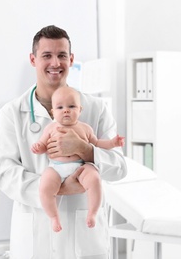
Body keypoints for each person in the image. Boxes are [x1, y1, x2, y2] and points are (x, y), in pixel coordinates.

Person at [0, 25, 127, 259]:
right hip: (34, 236)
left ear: (71, 59)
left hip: (85, 239)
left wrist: (85, 149)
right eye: (47, 55)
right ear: (33, 60)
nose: (55, 63)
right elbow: (6, 174)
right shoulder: (12, 113)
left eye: (62, 55)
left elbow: (119, 168)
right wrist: (58, 189)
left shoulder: (95, 109)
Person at [31, 86, 125, 232]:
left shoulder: (86, 128)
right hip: (56, 167)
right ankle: (54, 217)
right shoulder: (50, 128)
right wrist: (38, 147)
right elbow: (43, 144)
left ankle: (92, 213)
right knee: (45, 186)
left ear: (80, 110)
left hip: (81, 167)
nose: (66, 110)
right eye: (60, 107)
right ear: (53, 112)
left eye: (71, 106)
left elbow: (98, 144)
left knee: (94, 179)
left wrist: (113, 143)